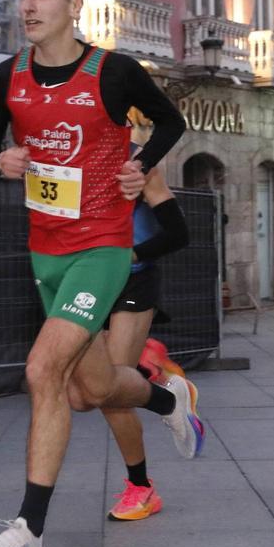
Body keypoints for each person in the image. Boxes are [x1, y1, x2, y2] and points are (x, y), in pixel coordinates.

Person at [0, 0, 201, 547]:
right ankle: (166, 398)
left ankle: (28, 534)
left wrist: (141, 163)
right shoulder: (7, 75)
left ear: (73, 4)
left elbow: (170, 119)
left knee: (43, 370)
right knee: (89, 389)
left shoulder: (113, 71)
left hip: (103, 247)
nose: (29, 5)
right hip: (45, 250)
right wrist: (0, 162)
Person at [101, 136, 195, 521]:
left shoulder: (137, 161)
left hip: (132, 280)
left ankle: (141, 488)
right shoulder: (63, 152)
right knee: (83, 385)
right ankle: (162, 389)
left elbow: (178, 233)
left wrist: (132, 254)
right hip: (83, 280)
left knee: (110, 391)